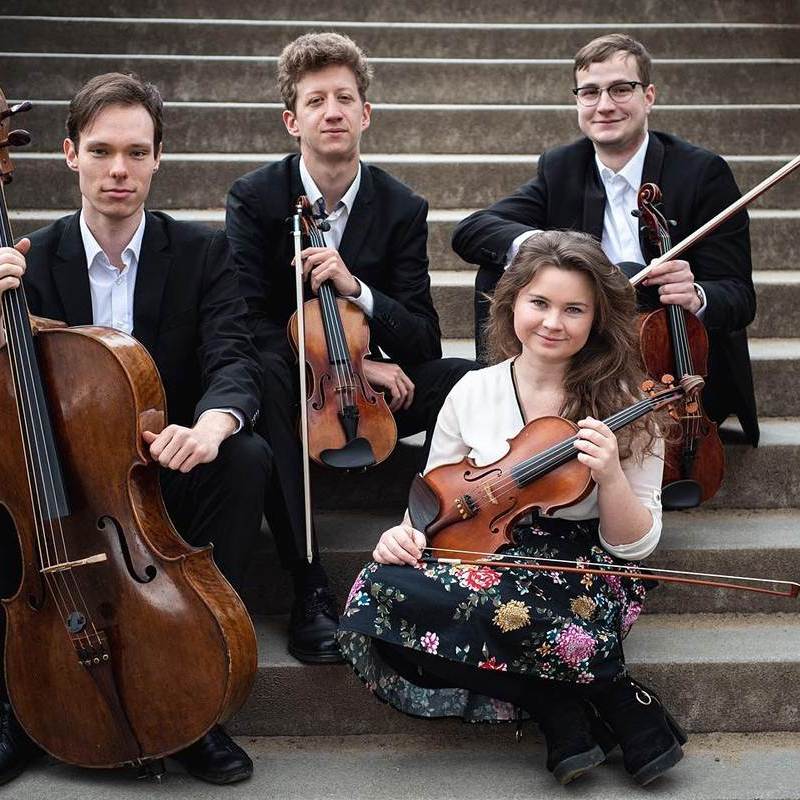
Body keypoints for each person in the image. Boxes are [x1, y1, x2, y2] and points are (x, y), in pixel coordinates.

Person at [337, 231, 687, 787]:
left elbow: (635, 545)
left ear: (597, 318)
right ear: (513, 302)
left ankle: (579, 707)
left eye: (574, 309)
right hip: (488, 548)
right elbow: (436, 496)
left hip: (583, 562)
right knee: (376, 588)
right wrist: (403, 535)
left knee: (508, 604)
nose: (553, 322)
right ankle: (583, 698)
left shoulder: (628, 403)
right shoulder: (472, 390)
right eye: (539, 303)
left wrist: (611, 475)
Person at [0, 72, 269, 786]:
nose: (118, 169)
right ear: (70, 155)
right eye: (101, 150)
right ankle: (16, 702)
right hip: (62, 483)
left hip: (163, 470)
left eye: (136, 152)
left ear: (157, 159)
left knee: (246, 457)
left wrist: (211, 425)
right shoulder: (26, 262)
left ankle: (199, 687)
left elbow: (234, 357)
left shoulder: (204, 253)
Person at [226, 33, 475, 663]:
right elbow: (246, 318)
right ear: (293, 121)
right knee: (265, 372)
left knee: (464, 379)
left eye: (344, 99)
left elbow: (422, 334)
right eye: (316, 101)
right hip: (298, 392)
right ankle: (308, 581)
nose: (332, 112)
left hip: (372, 395)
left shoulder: (401, 206)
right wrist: (341, 364)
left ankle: (440, 542)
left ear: (365, 114)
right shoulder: (254, 198)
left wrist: (357, 291)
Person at [452, 33, 758, 445]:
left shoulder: (702, 173)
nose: (605, 105)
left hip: (669, 358)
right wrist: (546, 249)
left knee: (630, 272)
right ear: (578, 101)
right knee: (499, 273)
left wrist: (697, 294)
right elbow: (472, 230)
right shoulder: (563, 166)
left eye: (621, 89)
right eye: (590, 92)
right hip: (582, 335)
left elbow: (739, 296)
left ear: (648, 96)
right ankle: (503, 403)